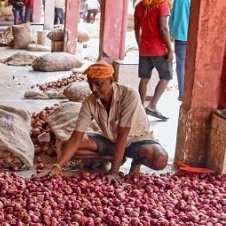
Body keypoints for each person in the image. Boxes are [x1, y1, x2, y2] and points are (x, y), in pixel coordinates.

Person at [38, 61, 168, 183]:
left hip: (137, 141)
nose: (94, 89)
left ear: (111, 81)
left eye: (99, 84)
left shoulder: (129, 95)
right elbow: (76, 137)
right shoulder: (89, 102)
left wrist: (114, 172)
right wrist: (57, 166)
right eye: (90, 84)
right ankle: (113, 158)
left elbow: (123, 136)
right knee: (67, 145)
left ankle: (136, 161)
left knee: (160, 160)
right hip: (110, 140)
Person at [134, 0, 173, 121]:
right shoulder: (162, 3)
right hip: (159, 49)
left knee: (144, 79)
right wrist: (170, 48)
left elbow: (136, 29)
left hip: (145, 48)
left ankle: (140, 109)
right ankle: (152, 106)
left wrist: (140, 44)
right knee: (166, 76)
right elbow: (163, 28)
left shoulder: (140, 4)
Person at [169, 0, 192, 102]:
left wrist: (171, 33)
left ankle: (182, 93)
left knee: (181, 64)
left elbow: (171, 17)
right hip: (195, 38)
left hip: (180, 35)